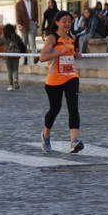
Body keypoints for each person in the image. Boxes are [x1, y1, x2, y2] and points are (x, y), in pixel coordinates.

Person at [39, 10, 84, 154]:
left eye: (69, 21)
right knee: (55, 109)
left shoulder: (72, 38)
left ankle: (74, 141)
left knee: (73, 107)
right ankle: (46, 136)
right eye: (64, 21)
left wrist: (76, 55)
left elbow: (71, 55)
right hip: (54, 80)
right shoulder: (52, 38)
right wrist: (59, 52)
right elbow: (42, 57)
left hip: (71, 76)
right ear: (57, 22)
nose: (67, 24)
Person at [15, 0, 39, 64]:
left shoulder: (34, 2)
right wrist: (19, 24)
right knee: (24, 42)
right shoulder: (19, 4)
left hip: (32, 22)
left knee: (32, 41)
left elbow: (36, 13)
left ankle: (35, 57)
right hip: (23, 24)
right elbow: (18, 15)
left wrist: (36, 22)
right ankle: (25, 58)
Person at [0, 23, 26, 91]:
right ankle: (15, 80)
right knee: (15, 69)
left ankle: (10, 85)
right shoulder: (16, 36)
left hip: (7, 55)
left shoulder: (4, 37)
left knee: (9, 70)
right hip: (16, 55)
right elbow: (21, 45)